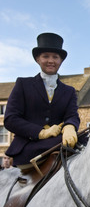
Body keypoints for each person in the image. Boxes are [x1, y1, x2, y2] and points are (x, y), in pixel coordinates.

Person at [4, 33, 80, 167]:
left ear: (61, 61)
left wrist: (70, 127)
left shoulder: (69, 91)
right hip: (28, 147)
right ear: (38, 59)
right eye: (46, 56)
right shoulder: (23, 84)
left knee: (88, 139)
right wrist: (41, 133)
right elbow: (11, 119)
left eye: (55, 57)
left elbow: (72, 115)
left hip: (57, 144)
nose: (51, 60)